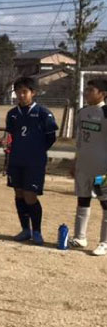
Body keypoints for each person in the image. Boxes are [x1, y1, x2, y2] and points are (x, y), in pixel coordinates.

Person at [2, 77, 58, 246]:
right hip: (16, 160)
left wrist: (36, 151)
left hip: (34, 162)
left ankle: (37, 231)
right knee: (18, 193)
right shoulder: (12, 114)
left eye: (24, 91)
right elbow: (10, 136)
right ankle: (25, 229)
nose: (21, 94)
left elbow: (51, 138)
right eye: (18, 91)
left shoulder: (43, 113)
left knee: (30, 196)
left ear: (33, 93)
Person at [69, 78, 107, 256]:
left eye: (91, 90)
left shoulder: (106, 112)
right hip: (84, 166)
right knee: (82, 200)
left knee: (105, 202)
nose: (86, 92)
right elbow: (79, 141)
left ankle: (104, 242)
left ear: (103, 94)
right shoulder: (82, 112)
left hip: (102, 168)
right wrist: (75, 161)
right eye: (87, 89)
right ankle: (80, 237)